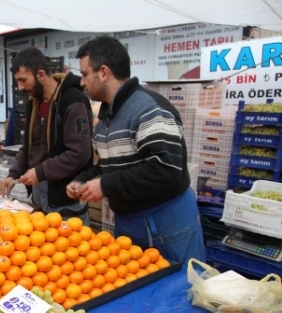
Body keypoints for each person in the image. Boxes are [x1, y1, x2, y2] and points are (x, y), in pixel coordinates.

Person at [68, 36, 205, 263]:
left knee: (180, 289)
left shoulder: (149, 108)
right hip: (130, 222)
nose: (81, 82)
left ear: (103, 72)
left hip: (166, 221)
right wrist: (84, 178)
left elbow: (164, 168)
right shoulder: (106, 118)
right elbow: (112, 164)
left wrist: (105, 185)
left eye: (84, 74)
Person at [0, 47, 94, 223]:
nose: (20, 87)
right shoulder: (33, 104)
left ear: (40, 75)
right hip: (39, 195)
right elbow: (28, 148)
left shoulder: (72, 100)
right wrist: (13, 173)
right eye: (18, 81)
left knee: (70, 248)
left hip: (65, 199)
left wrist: (40, 172)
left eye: (23, 80)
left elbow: (79, 153)